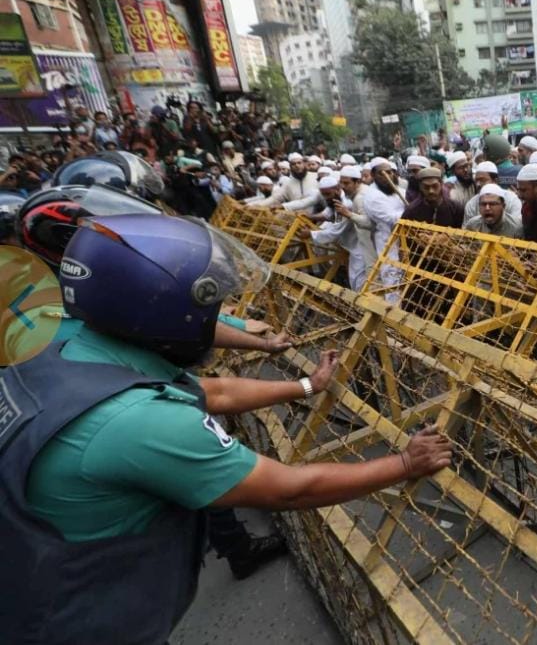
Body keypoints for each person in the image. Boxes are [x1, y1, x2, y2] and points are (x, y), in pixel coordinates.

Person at [2, 214, 452, 642]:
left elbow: (212, 392)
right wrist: (405, 463)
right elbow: (289, 489)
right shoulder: (139, 420)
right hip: (78, 621)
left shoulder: (61, 343)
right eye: (206, 309)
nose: (213, 319)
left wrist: (307, 385)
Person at [302, 170, 378, 291]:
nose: (325, 198)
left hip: (361, 248)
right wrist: (312, 221)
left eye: (327, 194)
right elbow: (329, 216)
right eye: (323, 195)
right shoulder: (337, 200)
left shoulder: (346, 204)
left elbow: (335, 230)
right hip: (353, 247)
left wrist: (311, 234)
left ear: (337, 190)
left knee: (360, 282)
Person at [362, 157, 409, 293]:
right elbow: (391, 218)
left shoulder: (396, 190)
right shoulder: (372, 196)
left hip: (406, 241)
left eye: (389, 172)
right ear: (373, 175)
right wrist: (412, 211)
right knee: (393, 281)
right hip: (388, 243)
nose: (388, 176)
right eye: (382, 173)